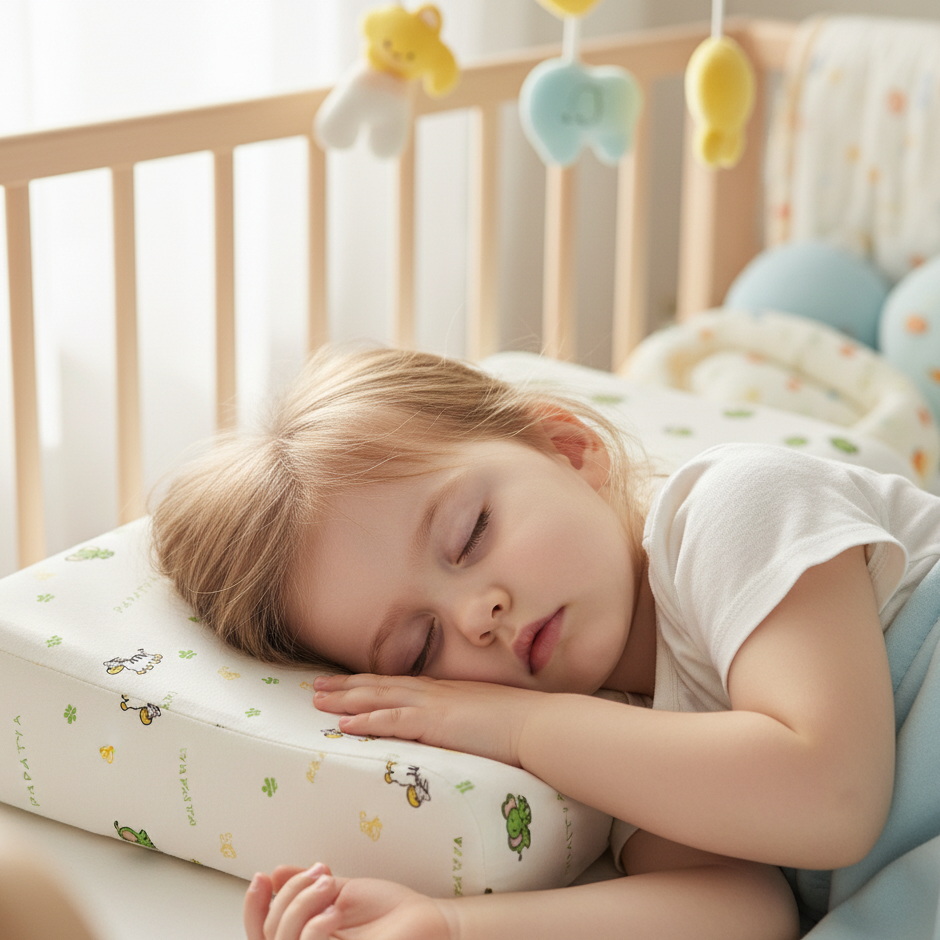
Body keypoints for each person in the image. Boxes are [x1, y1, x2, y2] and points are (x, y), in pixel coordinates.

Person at [151, 344, 940, 940]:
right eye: (420, 649)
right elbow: (746, 910)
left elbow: (830, 795)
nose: (477, 615)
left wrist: (521, 727)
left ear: (566, 448)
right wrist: (448, 926)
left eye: (470, 534)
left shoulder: (732, 508)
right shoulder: (617, 736)